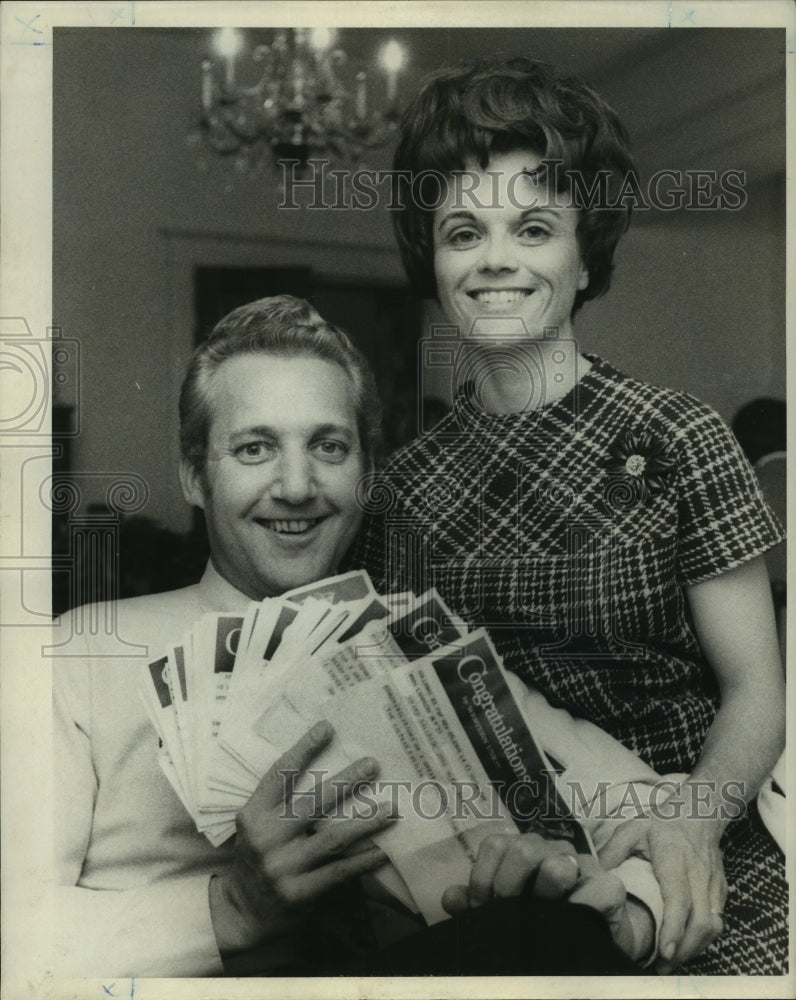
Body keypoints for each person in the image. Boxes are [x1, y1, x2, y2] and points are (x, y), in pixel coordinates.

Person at [53, 294, 684, 978]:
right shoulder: (77, 655)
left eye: (329, 447)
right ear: (193, 477)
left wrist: (630, 921)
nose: (296, 486)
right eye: (254, 447)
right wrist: (230, 907)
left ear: (368, 477)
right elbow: (17, 929)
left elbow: (663, 812)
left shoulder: (426, 644)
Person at [354, 58, 787, 975]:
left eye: (535, 228)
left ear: (585, 255)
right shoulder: (402, 487)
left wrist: (692, 826)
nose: (496, 259)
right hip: (511, 875)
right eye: (463, 231)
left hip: (699, 846)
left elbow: (758, 691)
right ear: (431, 262)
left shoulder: (676, 433)